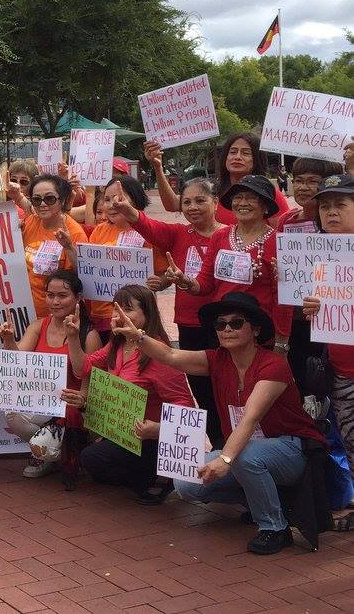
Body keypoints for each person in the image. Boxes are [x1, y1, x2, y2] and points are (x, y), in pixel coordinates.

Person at [128, 292, 325, 554]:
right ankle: (264, 502)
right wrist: (139, 337)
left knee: (245, 457)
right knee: (186, 484)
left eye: (236, 322)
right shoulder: (217, 360)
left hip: (292, 448)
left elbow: (251, 417)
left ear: (255, 329)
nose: (227, 329)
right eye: (220, 324)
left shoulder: (273, 365)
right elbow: (170, 356)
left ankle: (274, 527)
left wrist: (225, 459)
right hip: (246, 450)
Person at [114, 177, 225, 441]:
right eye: (186, 202)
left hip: (227, 324)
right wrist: (128, 210)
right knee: (202, 391)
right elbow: (149, 226)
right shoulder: (178, 234)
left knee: (229, 387)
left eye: (200, 200)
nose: (193, 207)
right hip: (190, 324)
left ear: (216, 202)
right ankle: (217, 444)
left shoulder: (230, 236)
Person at [63, 286, 194, 504]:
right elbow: (82, 368)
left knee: (95, 457)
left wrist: (158, 428)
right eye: (116, 309)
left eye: (128, 309)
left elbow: (185, 405)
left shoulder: (158, 353)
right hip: (123, 433)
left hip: (151, 439)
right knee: (93, 460)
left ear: (147, 314)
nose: (119, 315)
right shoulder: (118, 343)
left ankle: (159, 476)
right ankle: (142, 477)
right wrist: (74, 337)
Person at [0, 271, 101, 479]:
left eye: (62, 296)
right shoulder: (39, 325)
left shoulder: (89, 335)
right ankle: (47, 450)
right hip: (43, 403)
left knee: (49, 440)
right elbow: (16, 361)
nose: (55, 302)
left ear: (78, 298)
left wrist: (82, 399)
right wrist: (8, 339)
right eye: (50, 295)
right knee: (11, 411)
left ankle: (64, 448)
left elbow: (87, 379)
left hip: (73, 410)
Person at [171, 175, 283, 349]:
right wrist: (185, 281)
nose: (242, 203)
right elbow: (205, 283)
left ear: (266, 206)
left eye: (251, 198)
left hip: (258, 333)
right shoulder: (220, 236)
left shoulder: (278, 243)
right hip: (224, 330)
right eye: (238, 197)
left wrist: (281, 341)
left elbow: (282, 298)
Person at [302, 174, 354, 516]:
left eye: (340, 204)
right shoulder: (317, 255)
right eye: (324, 206)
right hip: (342, 370)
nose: (331, 212)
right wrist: (310, 309)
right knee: (350, 441)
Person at [272, 159, 343, 394]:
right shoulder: (286, 220)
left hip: (333, 320)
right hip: (296, 319)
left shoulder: (339, 222)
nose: (303, 187)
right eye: (298, 180)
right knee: (304, 384)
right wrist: (279, 270)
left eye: (313, 181)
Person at [146, 133, 289, 225]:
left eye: (245, 153)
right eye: (233, 152)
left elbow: (281, 234)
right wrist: (157, 167)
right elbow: (172, 205)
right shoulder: (211, 190)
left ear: (257, 159)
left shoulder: (270, 195)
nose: (237, 157)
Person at [86, 176, 168, 333]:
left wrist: (160, 282)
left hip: (137, 318)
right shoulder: (99, 231)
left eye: (118, 198)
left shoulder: (150, 231)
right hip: (102, 315)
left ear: (135, 201)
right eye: (107, 199)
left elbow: (165, 275)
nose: (112, 205)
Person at [21, 175, 87, 317]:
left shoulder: (75, 233)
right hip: (27, 312)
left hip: (57, 316)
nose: (42, 204)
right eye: (36, 200)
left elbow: (83, 276)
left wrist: (69, 247)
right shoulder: (30, 222)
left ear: (62, 200)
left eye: (49, 199)